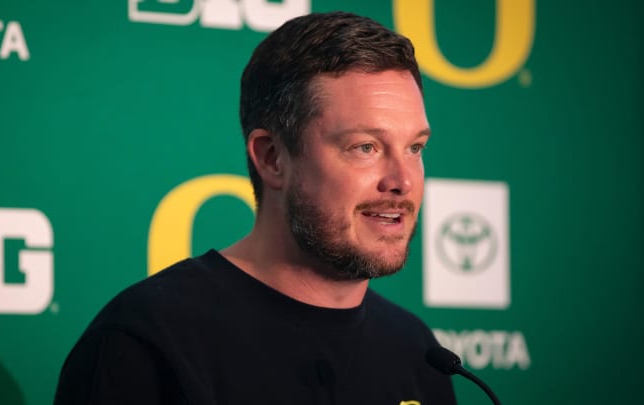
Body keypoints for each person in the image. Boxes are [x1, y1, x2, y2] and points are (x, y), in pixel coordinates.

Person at [55, 11, 456, 404]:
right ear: (271, 158)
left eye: (415, 148)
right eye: (365, 147)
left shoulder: (418, 351)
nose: (403, 181)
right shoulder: (145, 342)